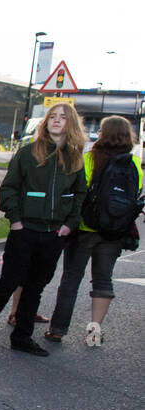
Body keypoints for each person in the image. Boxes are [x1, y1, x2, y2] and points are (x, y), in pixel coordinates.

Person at [0, 103, 88, 356]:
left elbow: (79, 194)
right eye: (52, 117)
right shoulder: (28, 152)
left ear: (71, 124)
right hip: (25, 231)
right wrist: (17, 221)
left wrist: (69, 225)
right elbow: (9, 188)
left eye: (63, 117)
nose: (56, 121)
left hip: (54, 234)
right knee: (8, 283)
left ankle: (22, 337)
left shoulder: (75, 157)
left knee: (35, 287)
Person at [46, 115, 142, 347]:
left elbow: (80, 191)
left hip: (85, 228)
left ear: (102, 133)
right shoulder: (135, 163)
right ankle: (94, 331)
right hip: (115, 231)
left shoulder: (89, 158)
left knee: (71, 279)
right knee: (102, 280)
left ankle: (58, 329)